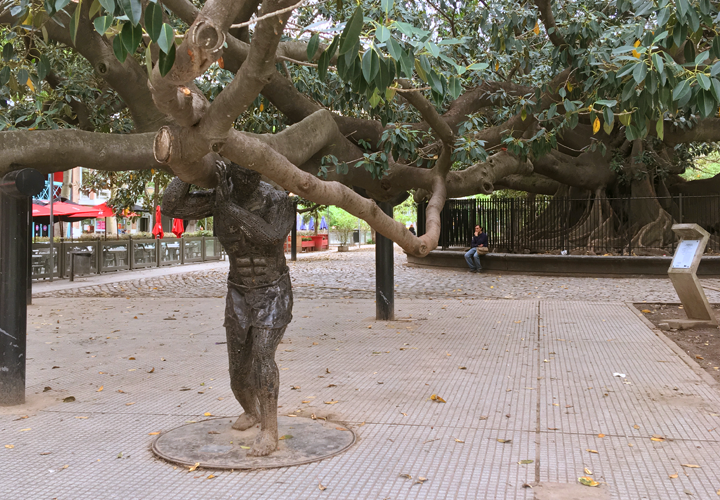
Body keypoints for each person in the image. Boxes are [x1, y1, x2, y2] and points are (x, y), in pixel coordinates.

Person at [162, 160, 294, 457]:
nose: (246, 182)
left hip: (272, 289)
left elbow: (271, 237)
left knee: (262, 357)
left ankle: (269, 430)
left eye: (252, 176)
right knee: (238, 374)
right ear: (230, 174)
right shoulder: (224, 193)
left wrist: (229, 209)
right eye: (239, 176)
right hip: (238, 290)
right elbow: (171, 207)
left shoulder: (277, 200)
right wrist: (190, 163)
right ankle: (253, 410)